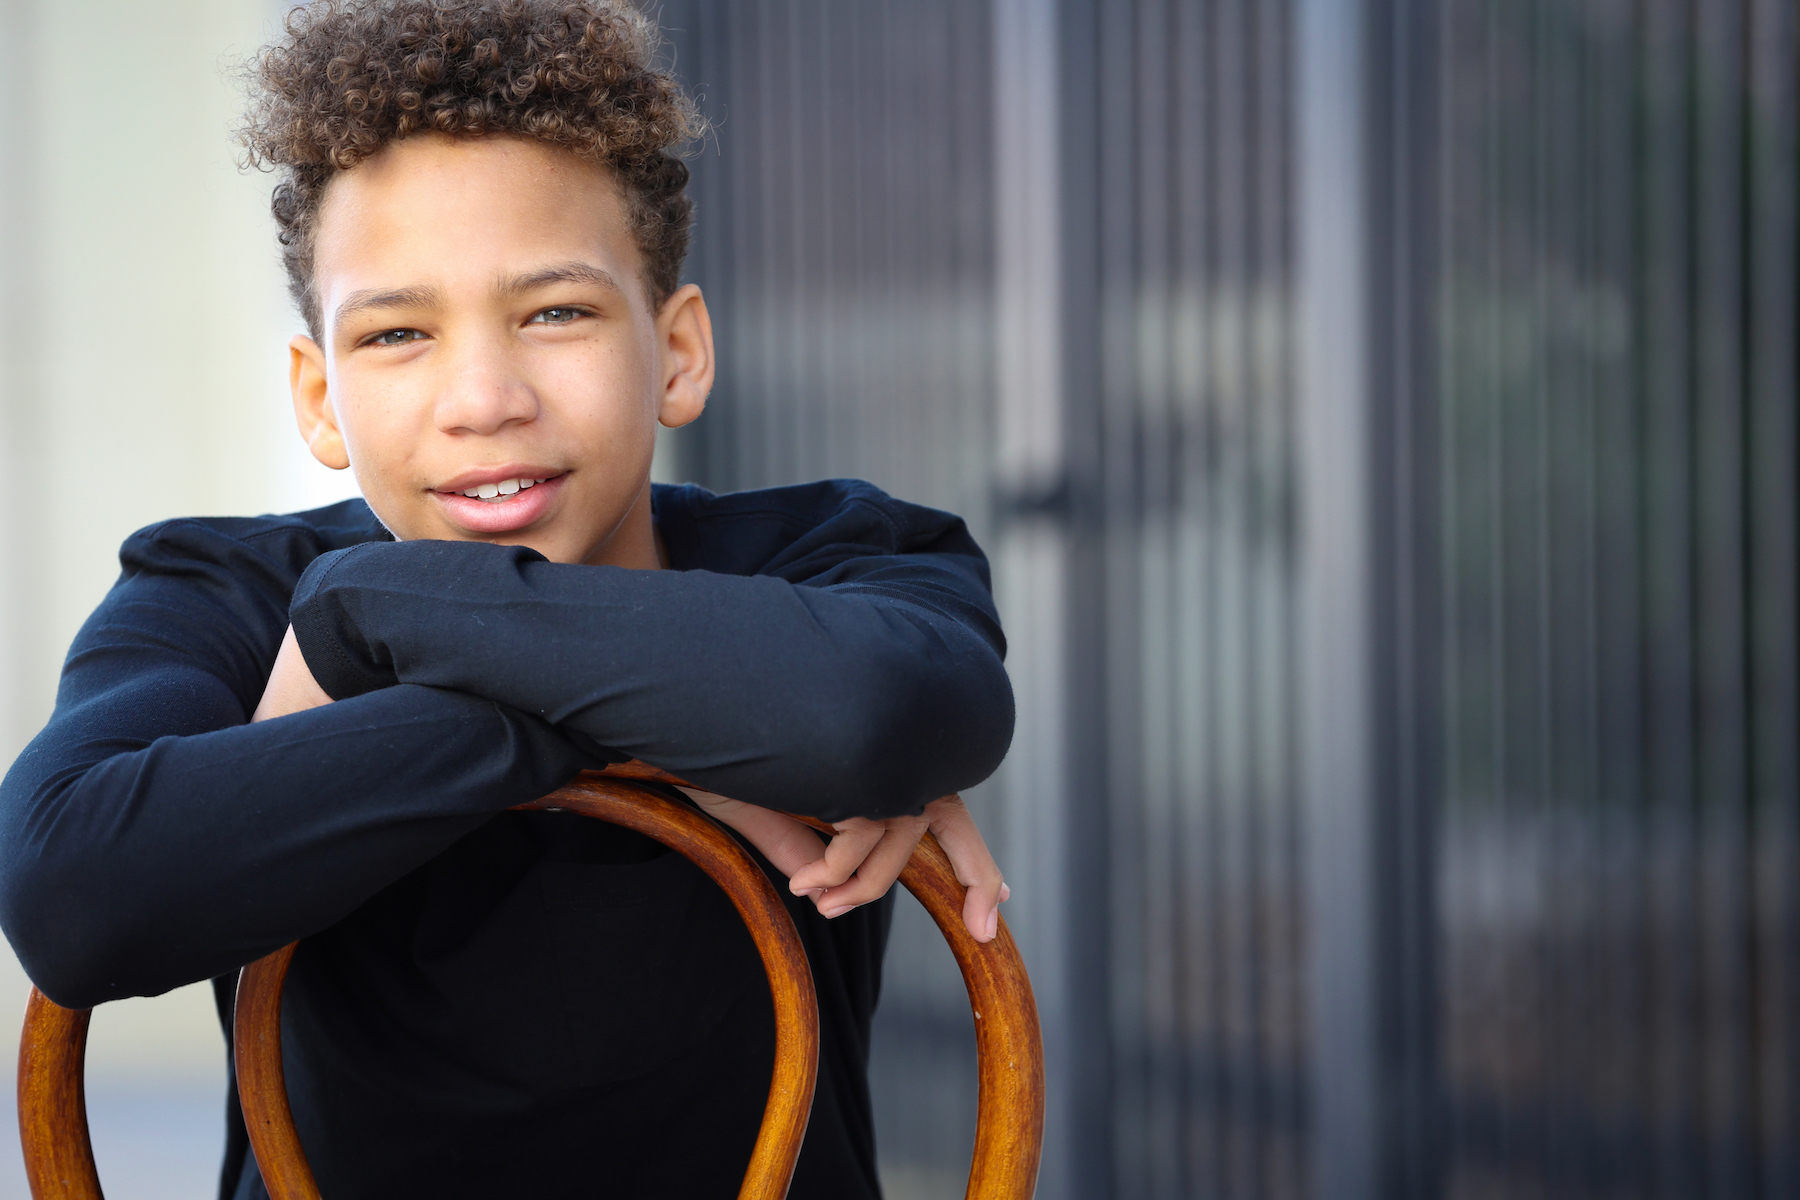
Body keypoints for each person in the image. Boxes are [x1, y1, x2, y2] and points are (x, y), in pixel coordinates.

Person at [0, 2, 1015, 1197]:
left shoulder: (833, 556)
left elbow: (872, 712)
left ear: (678, 352)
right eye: (397, 334)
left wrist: (370, 613)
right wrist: (674, 726)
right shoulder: (221, 590)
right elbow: (74, 895)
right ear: (320, 399)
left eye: (555, 313)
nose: (483, 399)